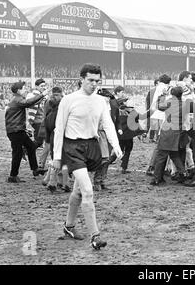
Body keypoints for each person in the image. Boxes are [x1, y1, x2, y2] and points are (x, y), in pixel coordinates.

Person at [53, 63, 123, 250]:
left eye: (97, 81)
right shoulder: (68, 100)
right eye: (90, 80)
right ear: (81, 80)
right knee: (88, 190)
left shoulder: (101, 101)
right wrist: (57, 156)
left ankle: (68, 227)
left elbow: (108, 124)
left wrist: (116, 146)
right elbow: (59, 128)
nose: (94, 84)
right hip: (72, 147)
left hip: (92, 146)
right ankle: (95, 236)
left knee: (78, 190)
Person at [5, 82, 48, 182]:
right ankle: (13, 176)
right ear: (18, 90)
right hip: (15, 130)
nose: (25, 90)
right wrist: (42, 95)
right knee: (17, 153)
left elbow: (30, 103)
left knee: (31, 147)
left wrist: (41, 97)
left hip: (17, 130)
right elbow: (28, 103)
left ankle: (35, 169)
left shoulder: (16, 99)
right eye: (23, 88)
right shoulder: (17, 99)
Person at [150, 86, 189, 186]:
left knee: (161, 155)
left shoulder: (170, 102)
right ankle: (183, 172)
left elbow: (159, 106)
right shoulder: (184, 104)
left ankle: (156, 178)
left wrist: (162, 95)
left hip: (167, 131)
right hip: (177, 131)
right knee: (174, 154)